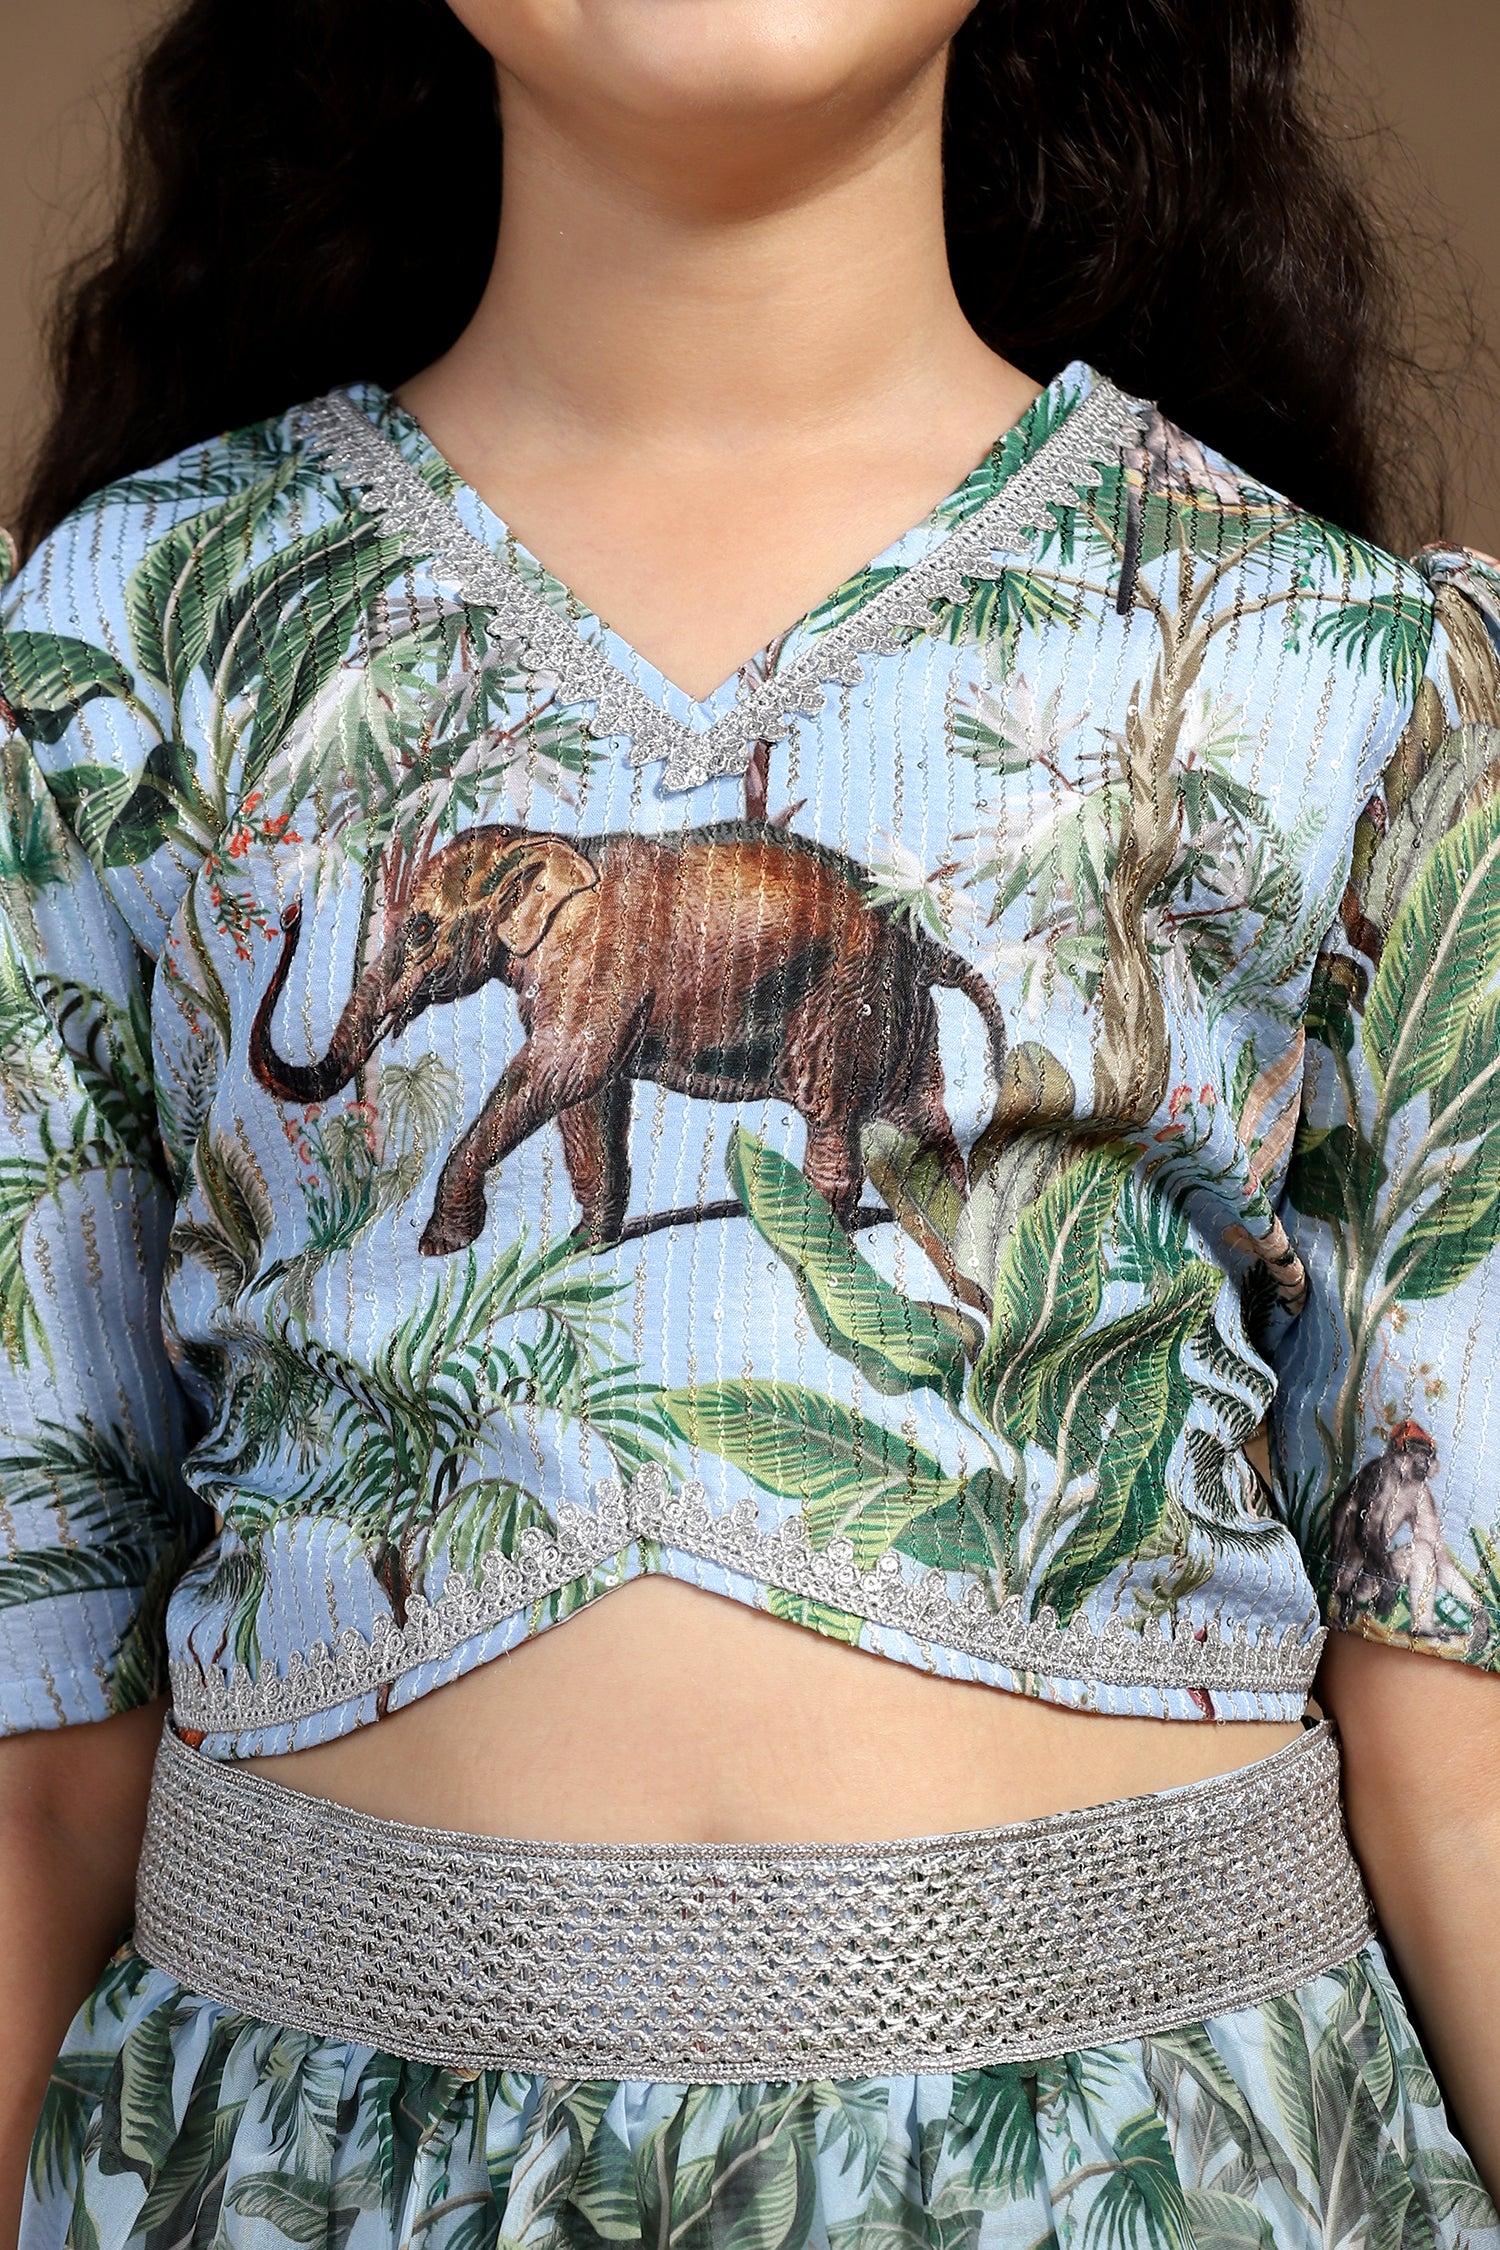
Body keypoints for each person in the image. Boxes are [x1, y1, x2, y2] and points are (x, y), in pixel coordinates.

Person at [3, 1, 1499, 2243]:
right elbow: (35, 1763)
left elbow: (1461, 1747)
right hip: (301, 2176)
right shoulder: (126, 650)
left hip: (1158, 2175)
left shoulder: (1325, 661)